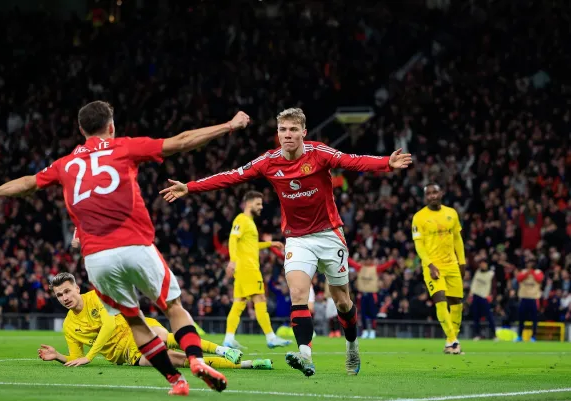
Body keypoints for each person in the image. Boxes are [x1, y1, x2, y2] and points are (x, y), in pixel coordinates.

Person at [0, 100, 251, 395]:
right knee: (173, 307)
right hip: (134, 244)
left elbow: (29, 183)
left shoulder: (65, 164)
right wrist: (228, 126)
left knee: (133, 319)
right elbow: (182, 141)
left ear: (81, 130)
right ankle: (196, 360)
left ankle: (176, 381)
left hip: (97, 258)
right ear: (111, 126)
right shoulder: (124, 147)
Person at [160, 107, 412, 376]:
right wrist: (190, 186)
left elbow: (352, 160)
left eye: (293, 130)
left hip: (329, 234)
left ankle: (352, 346)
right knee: (298, 295)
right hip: (297, 239)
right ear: (277, 133)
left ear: (304, 132)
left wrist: (386, 163)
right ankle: (305, 355)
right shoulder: (268, 161)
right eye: (283, 130)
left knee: (342, 301)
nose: (288, 135)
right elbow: (232, 176)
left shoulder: (319, 154)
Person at [38, 273, 273, 370]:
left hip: (136, 330)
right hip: (129, 355)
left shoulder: (96, 297)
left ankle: (223, 349)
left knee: (165, 338)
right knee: (177, 360)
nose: (65, 298)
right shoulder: (69, 326)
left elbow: (109, 325)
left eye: (67, 291)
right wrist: (59, 356)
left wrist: (90, 356)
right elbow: (75, 356)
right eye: (60, 295)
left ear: (77, 288)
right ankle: (249, 364)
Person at [223, 191, 291, 350]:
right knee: (260, 299)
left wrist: (270, 244)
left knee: (239, 303)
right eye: (258, 204)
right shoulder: (242, 220)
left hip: (243, 269)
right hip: (248, 268)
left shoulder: (250, 223)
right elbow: (233, 239)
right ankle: (271, 337)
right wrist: (232, 261)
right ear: (248, 203)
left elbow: (252, 245)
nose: (261, 207)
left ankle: (228, 339)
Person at [411, 183, 466, 354]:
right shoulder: (419, 217)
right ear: (425, 197)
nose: (432, 196)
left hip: (452, 265)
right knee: (440, 299)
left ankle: (450, 342)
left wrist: (462, 262)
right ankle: (454, 342)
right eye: (429, 194)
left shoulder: (452, 213)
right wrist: (430, 264)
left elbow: (457, 238)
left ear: (441, 193)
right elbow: (419, 245)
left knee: (457, 303)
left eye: (435, 192)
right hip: (432, 266)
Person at [351, 256, 396, 339]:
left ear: (371, 260)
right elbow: (352, 263)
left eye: (369, 260)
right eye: (366, 260)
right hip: (363, 294)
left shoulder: (375, 269)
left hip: (372, 294)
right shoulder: (360, 268)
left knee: (372, 314)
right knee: (363, 314)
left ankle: (372, 331)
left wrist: (392, 261)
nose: (368, 261)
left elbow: (384, 266)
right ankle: (364, 331)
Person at [515, 259, 544, 342]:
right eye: (528, 263)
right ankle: (520, 336)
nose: (529, 265)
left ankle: (533, 336)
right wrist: (528, 272)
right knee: (521, 319)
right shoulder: (523, 271)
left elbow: (539, 279)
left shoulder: (538, 272)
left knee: (534, 319)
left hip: (534, 298)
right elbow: (519, 278)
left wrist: (532, 272)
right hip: (524, 297)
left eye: (531, 263)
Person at [469, 259, 497, 341]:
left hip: (485, 297)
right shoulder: (477, 272)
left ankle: (494, 335)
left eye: (484, 264)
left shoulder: (491, 274)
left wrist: (492, 296)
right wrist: (470, 295)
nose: (482, 265)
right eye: (481, 264)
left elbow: (494, 286)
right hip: (475, 296)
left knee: (489, 317)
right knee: (476, 317)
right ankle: (477, 335)